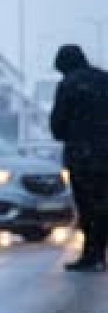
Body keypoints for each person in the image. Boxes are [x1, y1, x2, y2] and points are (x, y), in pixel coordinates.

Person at [49, 44, 108, 272]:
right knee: (103, 204)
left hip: (82, 157)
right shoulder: (104, 80)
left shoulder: (69, 85)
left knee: (88, 207)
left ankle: (92, 254)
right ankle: (98, 252)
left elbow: (57, 127)